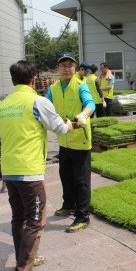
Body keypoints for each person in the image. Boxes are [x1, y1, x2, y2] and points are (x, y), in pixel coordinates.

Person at [0, 61, 72, 271]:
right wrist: (72, 124)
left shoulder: (4, 104)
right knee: (35, 221)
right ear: (34, 79)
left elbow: (0, 133)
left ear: (12, 81)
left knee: (18, 218)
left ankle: (26, 258)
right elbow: (59, 127)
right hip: (29, 172)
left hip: (9, 171)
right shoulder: (38, 102)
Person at [47, 52, 95, 233]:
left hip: (79, 140)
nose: (66, 69)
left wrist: (84, 114)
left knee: (81, 180)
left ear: (75, 68)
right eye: (63, 65)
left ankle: (82, 216)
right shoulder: (53, 89)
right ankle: (68, 204)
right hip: (63, 140)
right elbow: (47, 107)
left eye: (70, 65)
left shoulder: (81, 86)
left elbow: (90, 103)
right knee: (65, 175)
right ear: (58, 69)